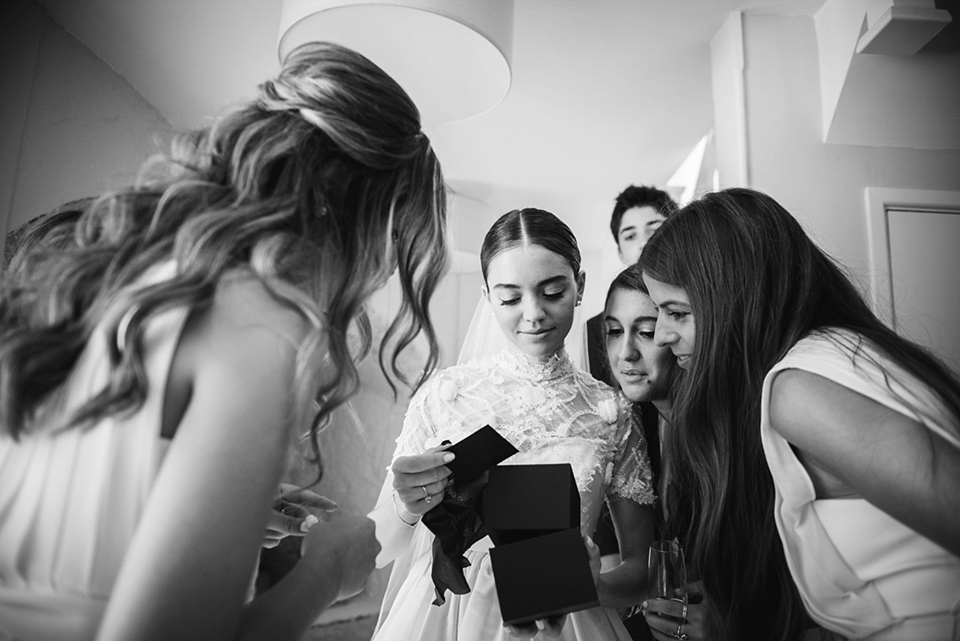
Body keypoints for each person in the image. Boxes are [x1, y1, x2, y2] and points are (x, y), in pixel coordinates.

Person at [0, 41, 449, 641]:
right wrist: (328, 569)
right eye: (392, 248)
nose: (380, 277)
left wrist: (219, 511)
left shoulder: (135, 273)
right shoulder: (260, 325)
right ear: (359, 217)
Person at [638, 188, 960, 640]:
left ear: (737, 300)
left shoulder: (799, 389)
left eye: (678, 312)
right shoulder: (836, 351)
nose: (663, 336)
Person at [370, 208, 658, 640]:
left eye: (553, 291)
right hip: (450, 619)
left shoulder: (610, 411)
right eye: (510, 298)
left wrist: (587, 584)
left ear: (579, 287)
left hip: (565, 621)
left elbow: (642, 568)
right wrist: (408, 507)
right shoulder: (445, 395)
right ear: (488, 296)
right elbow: (379, 549)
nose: (534, 313)